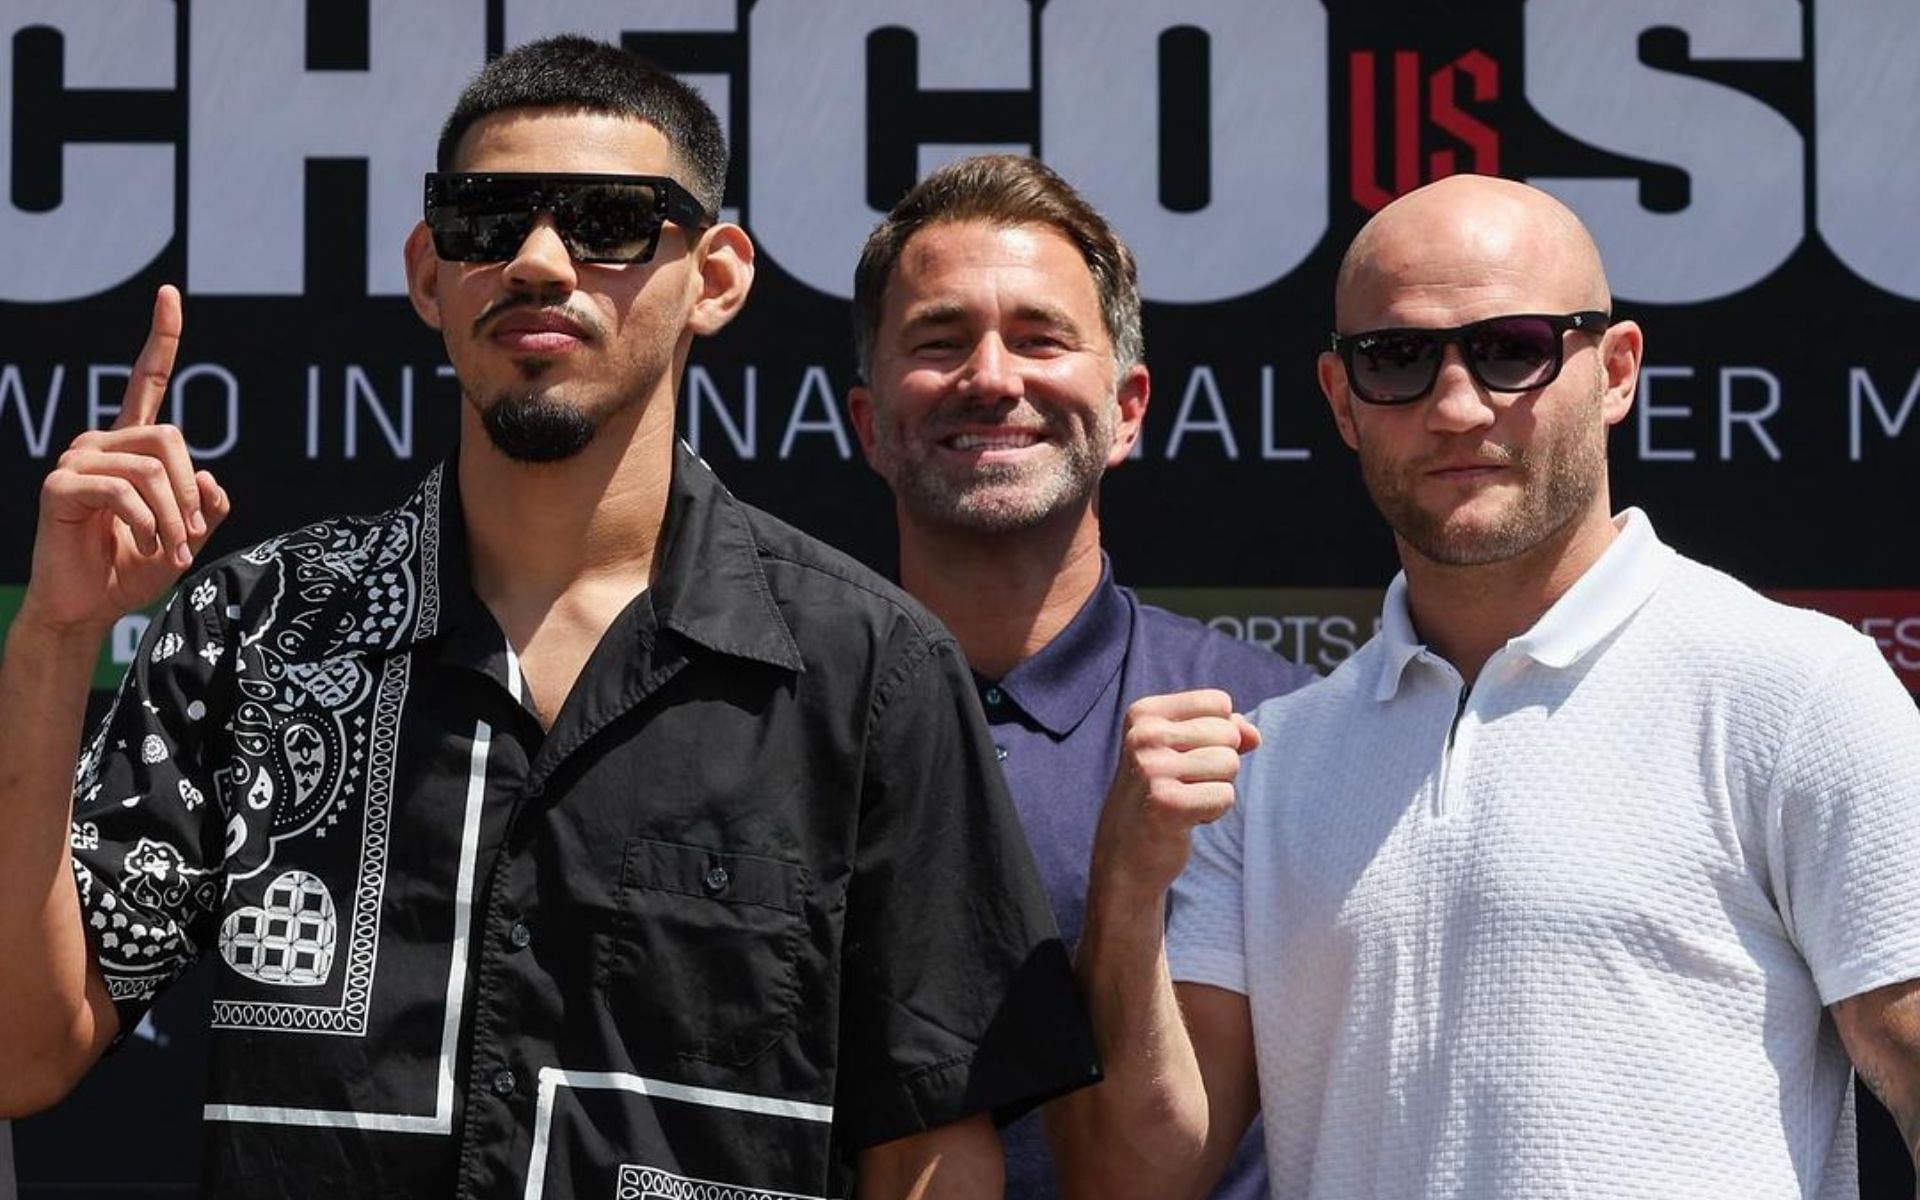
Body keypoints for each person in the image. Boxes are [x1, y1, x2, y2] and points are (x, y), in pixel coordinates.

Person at [0, 37, 1098, 1199]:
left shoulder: (867, 670)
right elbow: (25, 1054)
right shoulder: (253, 629)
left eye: (609, 222)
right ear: (431, 274)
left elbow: (932, 1158)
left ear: (716, 278)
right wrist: (58, 639)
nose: (536, 261)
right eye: (487, 220)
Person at [1050, 173, 1920, 1199]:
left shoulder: (1791, 689)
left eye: (1514, 349)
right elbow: (1133, 1181)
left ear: (1619, 371)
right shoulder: (1273, 762)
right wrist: (1123, 894)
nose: (1458, 406)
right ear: (1341, 400)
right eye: (1399, 359)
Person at [847, 154, 1313, 1198]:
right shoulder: (775, 718)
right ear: (869, 423)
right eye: (939, 340)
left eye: (1041, 337)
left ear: (1130, 408)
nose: (994, 377)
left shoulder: (1274, 725)